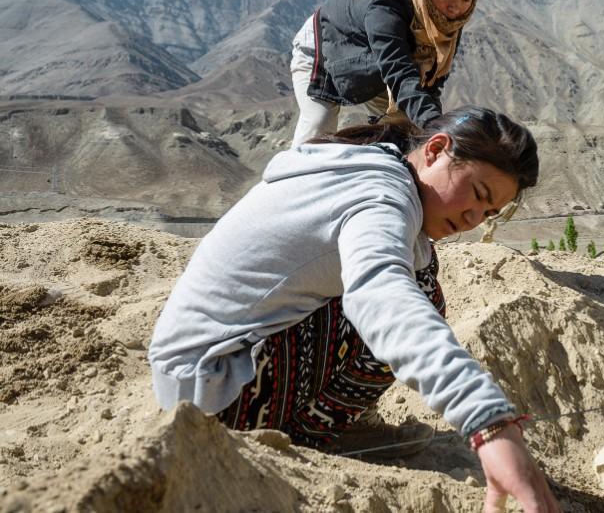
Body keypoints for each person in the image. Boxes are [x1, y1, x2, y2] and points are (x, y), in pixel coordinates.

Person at [148, 106, 559, 512]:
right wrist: (489, 422)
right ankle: (303, 435)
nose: (472, 218)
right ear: (435, 150)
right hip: (210, 401)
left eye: (488, 213)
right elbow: (383, 298)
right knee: (417, 292)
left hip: (196, 371)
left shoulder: (369, 165)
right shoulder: (379, 197)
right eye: (478, 194)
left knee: (421, 267)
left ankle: (325, 422)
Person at [290, 0, 482, 146]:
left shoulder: (448, 20)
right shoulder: (386, 7)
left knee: (408, 132)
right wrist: (435, 125)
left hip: (375, 62)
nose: (456, 7)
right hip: (324, 44)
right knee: (317, 130)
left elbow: (431, 82)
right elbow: (398, 72)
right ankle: (290, 176)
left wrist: (434, 124)